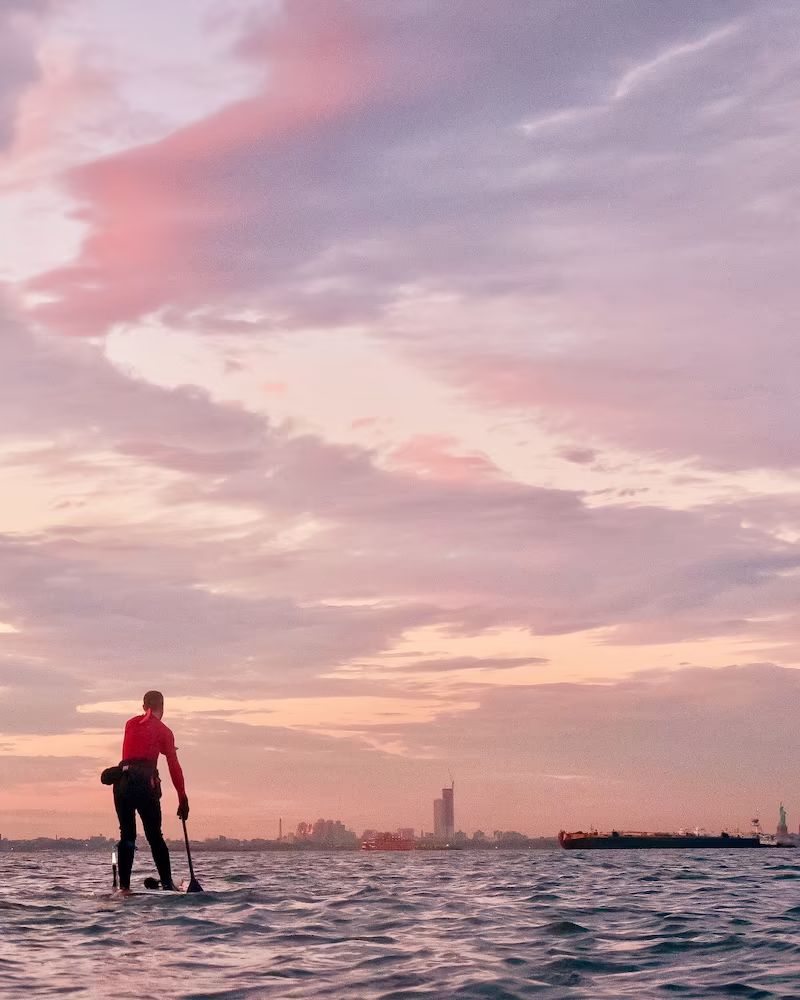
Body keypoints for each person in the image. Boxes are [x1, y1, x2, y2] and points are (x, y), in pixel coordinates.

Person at [114, 690, 189, 894]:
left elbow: (143, 730)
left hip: (122, 783)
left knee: (127, 835)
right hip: (145, 784)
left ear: (143, 705)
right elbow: (174, 766)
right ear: (162, 707)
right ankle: (167, 884)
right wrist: (182, 798)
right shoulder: (164, 731)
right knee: (154, 836)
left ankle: (124, 888)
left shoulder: (130, 724)